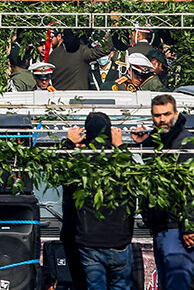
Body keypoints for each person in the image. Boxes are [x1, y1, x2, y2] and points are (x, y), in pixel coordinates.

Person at [62, 113, 135, 290]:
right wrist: (121, 147)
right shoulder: (121, 161)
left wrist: (68, 144)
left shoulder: (80, 161)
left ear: (87, 134)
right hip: (119, 241)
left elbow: (61, 174)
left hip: (90, 242)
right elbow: (137, 178)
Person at [141, 96, 194, 290]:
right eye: (157, 115)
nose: (162, 119)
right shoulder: (158, 141)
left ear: (176, 113)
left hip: (177, 227)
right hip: (161, 227)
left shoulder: (186, 143)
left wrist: (188, 226)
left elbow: (193, 187)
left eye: (166, 114)